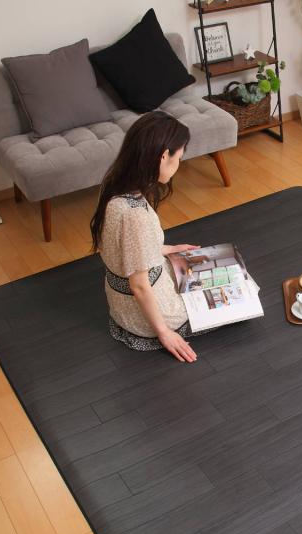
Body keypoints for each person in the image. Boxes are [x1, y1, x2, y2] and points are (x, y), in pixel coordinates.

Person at [90, 111, 204, 363]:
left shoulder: (113, 185)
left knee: (198, 269)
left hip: (120, 303)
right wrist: (164, 333)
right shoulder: (136, 216)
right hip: (143, 312)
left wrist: (166, 249)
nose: (179, 165)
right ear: (164, 156)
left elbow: (123, 245)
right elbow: (139, 285)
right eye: (179, 158)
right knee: (217, 297)